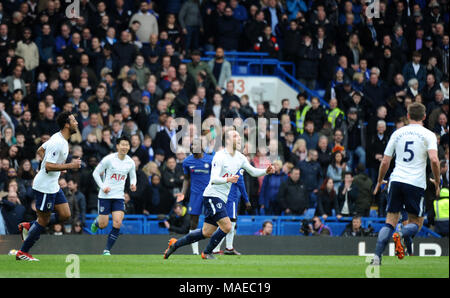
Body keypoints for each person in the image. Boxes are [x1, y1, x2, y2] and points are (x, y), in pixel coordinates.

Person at [163, 130, 274, 259]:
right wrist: (228, 179)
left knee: (206, 232)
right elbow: (214, 179)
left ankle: (175, 244)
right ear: (227, 140)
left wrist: (266, 171)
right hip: (212, 195)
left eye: (239, 136)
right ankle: (208, 252)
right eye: (235, 136)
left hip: (222, 197)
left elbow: (253, 172)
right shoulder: (220, 156)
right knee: (227, 226)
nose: (239, 139)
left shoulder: (240, 157)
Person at [372, 102, 440, 265]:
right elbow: (435, 160)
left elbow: (385, 161)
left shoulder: (397, 133)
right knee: (416, 223)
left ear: (408, 116)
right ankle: (402, 234)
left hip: (396, 180)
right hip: (415, 183)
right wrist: (437, 181)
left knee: (390, 221)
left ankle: (376, 257)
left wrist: (380, 180)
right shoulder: (428, 135)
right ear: (424, 117)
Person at [16, 111, 82, 261]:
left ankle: (29, 225)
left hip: (53, 185)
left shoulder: (60, 139)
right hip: (45, 187)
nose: (76, 123)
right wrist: (69, 165)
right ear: (67, 124)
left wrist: (60, 166)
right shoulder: (57, 142)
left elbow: (40, 150)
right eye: (73, 120)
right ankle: (23, 252)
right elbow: (47, 166)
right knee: (44, 221)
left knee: (65, 215)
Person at [90, 136, 137, 255]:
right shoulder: (109, 159)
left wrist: (133, 184)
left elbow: (133, 176)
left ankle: (106, 250)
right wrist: (102, 187)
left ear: (129, 147)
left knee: (117, 223)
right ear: (117, 146)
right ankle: (97, 222)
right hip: (105, 196)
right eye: (122, 144)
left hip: (119, 196)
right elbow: (95, 173)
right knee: (103, 224)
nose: (125, 147)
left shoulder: (130, 162)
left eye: (127, 145)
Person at [177, 138, 214, 255]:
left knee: (215, 221)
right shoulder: (187, 162)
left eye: (196, 145)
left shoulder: (211, 160)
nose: (193, 147)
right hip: (195, 195)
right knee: (193, 222)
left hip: (209, 194)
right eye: (191, 146)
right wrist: (182, 193)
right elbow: (186, 179)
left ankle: (214, 249)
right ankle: (195, 252)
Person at [213, 170, 251, 255]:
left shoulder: (222, 167)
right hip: (231, 200)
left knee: (223, 224)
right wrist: (246, 200)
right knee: (230, 224)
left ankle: (219, 248)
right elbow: (241, 185)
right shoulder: (237, 169)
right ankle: (225, 248)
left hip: (221, 198)